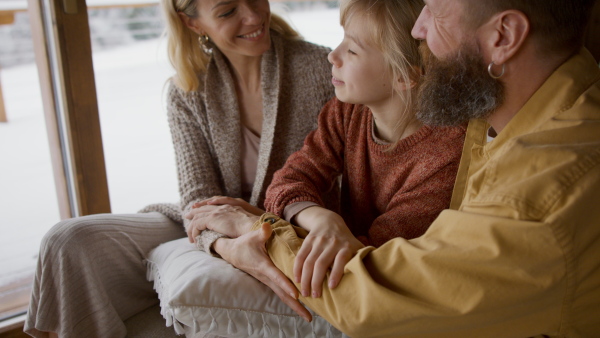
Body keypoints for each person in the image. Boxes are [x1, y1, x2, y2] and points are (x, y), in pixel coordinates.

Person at [188, 0, 600, 336]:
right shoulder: (512, 113)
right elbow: (295, 178)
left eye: (435, 9)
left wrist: (253, 230)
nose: (418, 29)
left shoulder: (537, 203)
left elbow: (368, 297)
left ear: (503, 36)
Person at [23, 0, 335, 336]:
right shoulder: (186, 90)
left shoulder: (321, 67)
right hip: (207, 225)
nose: (254, 16)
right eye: (227, 11)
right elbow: (198, 197)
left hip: (290, 224)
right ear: (193, 23)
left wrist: (256, 228)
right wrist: (223, 246)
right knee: (68, 240)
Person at [187, 0, 465, 301]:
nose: (332, 55)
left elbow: (367, 258)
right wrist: (324, 220)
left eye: (353, 50)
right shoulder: (346, 111)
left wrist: (254, 224)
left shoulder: (445, 156)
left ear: (403, 77)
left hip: (377, 293)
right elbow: (287, 181)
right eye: (341, 40)